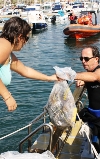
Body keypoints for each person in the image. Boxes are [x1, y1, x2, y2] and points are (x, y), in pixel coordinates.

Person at [0, 16, 58, 112]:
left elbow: (25, 71)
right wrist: (7, 96)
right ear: (19, 37)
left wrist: (50, 78)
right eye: (26, 38)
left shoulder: (8, 53)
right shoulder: (4, 45)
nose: (26, 42)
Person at [56, 46, 100, 153]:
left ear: (97, 59)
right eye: (81, 59)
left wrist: (70, 75)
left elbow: (95, 77)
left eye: (86, 59)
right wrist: (83, 80)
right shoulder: (90, 72)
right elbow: (90, 77)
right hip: (94, 116)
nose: (83, 62)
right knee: (95, 144)